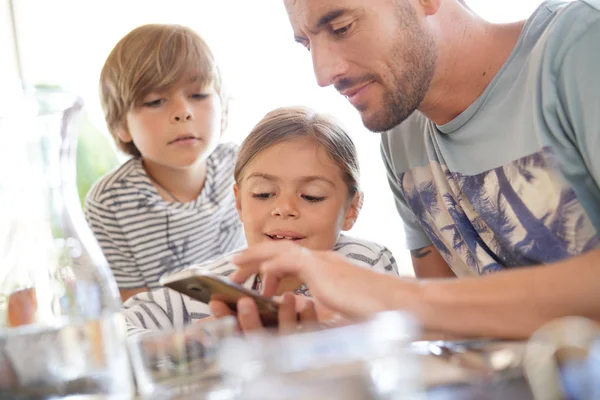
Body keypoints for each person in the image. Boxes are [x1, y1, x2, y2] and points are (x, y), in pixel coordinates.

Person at [215, 0, 600, 339]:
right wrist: (331, 333)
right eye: (306, 42)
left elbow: (422, 301)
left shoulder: (581, 44)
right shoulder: (402, 137)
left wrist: (387, 293)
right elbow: (449, 320)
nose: (323, 72)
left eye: (341, 27)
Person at [122, 106, 399, 336]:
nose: (284, 209)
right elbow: (119, 327)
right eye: (263, 194)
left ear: (351, 209)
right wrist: (191, 342)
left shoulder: (366, 263)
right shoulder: (212, 284)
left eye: (311, 196)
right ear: (240, 202)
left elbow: (394, 337)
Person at [84, 24, 246, 301]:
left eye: (198, 95)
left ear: (222, 108)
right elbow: (129, 306)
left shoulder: (244, 165)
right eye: (156, 101)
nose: (183, 112)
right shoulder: (110, 203)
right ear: (122, 124)